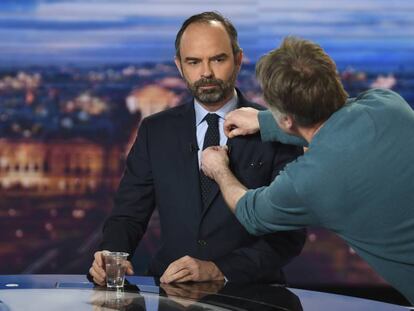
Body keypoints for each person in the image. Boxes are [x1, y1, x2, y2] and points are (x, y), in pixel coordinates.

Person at [88, 12, 305, 286]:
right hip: (170, 292)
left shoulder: (276, 130)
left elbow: (288, 235)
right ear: (179, 66)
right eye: (194, 62)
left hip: (252, 295)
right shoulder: (155, 131)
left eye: (218, 59)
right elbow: (128, 214)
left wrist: (219, 269)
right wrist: (110, 253)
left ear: (238, 60)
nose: (206, 73)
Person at [201, 36, 414, 304]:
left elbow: (251, 212)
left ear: (287, 119)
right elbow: (342, 119)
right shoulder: (388, 104)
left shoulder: (310, 182)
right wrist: (265, 120)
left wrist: (219, 169)